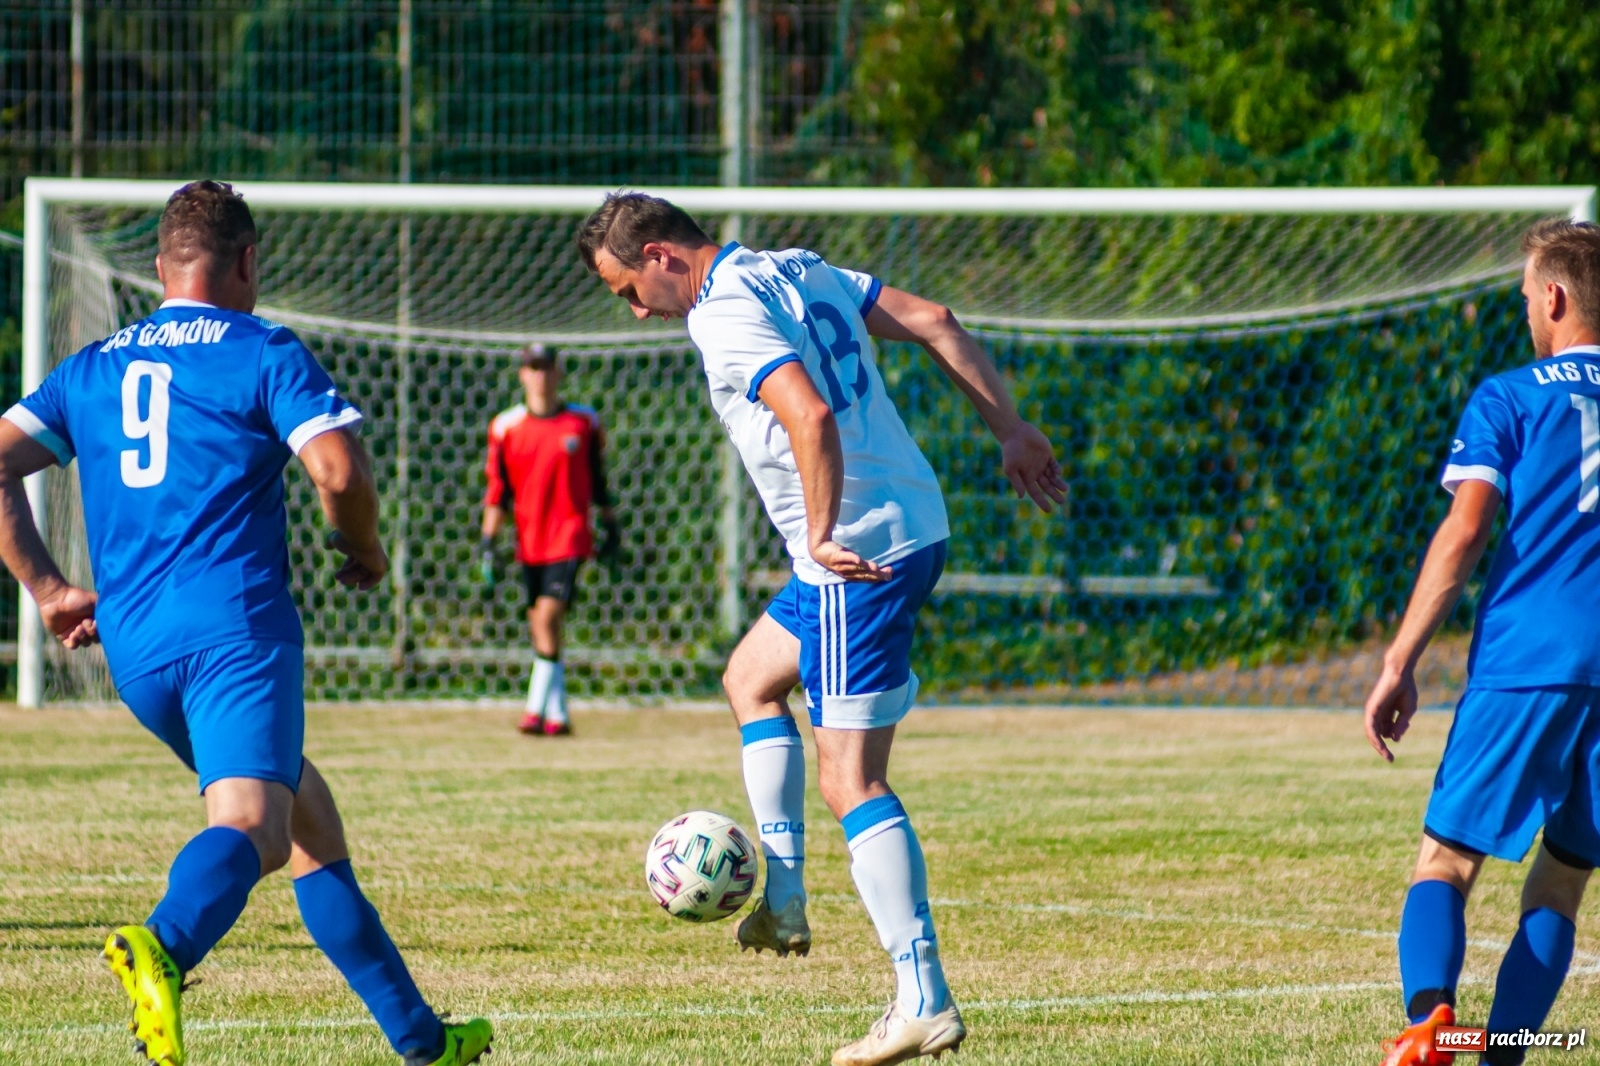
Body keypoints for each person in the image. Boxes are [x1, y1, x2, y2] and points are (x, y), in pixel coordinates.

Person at [0, 181, 492, 1066]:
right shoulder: (262, 349)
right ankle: (165, 945)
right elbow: (338, 472)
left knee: (308, 822)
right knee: (255, 826)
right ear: (249, 262)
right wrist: (365, 550)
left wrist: (45, 588)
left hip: (137, 651)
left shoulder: (95, 365)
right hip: (233, 631)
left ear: (158, 269)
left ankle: (423, 1040)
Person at [577, 193, 1067, 1066]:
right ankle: (788, 898)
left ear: (659, 254)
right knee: (751, 677)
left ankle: (922, 998)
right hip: (908, 523)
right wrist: (1011, 426)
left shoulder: (720, 314)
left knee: (850, 780)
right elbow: (936, 319)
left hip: (856, 553)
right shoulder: (797, 267)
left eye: (628, 291)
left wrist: (818, 533)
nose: (636, 310)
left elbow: (807, 414)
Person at [1364, 218, 1600, 1066]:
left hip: (1528, 664)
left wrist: (1400, 661)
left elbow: (1464, 533)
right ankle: (1503, 1055)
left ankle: (1431, 1021)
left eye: (1526, 295)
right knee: (1563, 880)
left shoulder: (1512, 394)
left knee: (1446, 861)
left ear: (1555, 297)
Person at [479, 343, 619, 735]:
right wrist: (488, 545)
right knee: (541, 624)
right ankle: (558, 715)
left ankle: (533, 709)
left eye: (546, 368)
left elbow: (598, 479)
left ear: (558, 373)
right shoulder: (505, 427)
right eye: (532, 368)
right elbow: (498, 492)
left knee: (548, 617)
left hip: (569, 535)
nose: (540, 376)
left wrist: (610, 525)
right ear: (523, 374)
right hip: (529, 539)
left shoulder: (583, 423)